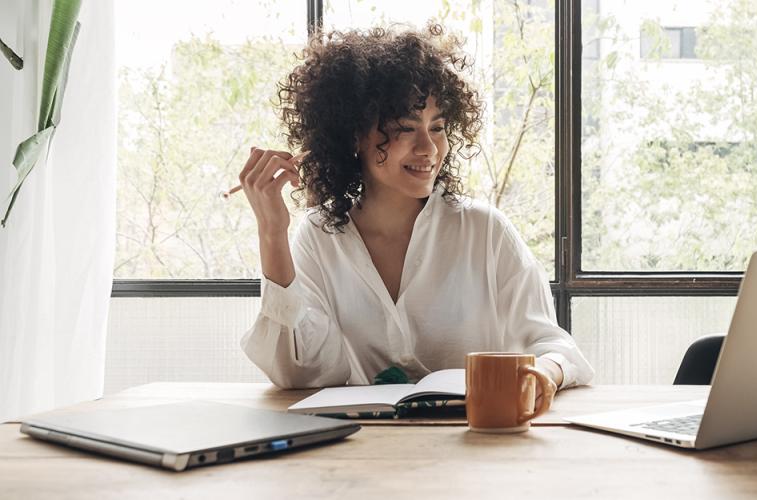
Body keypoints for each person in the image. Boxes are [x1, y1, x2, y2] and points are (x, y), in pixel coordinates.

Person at [239, 24, 594, 408]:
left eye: (438, 127)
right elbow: (299, 374)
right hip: (360, 450)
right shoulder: (318, 237)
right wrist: (272, 233)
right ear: (353, 136)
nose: (429, 148)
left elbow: (555, 347)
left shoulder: (484, 231)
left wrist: (545, 374)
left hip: (476, 449)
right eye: (406, 128)